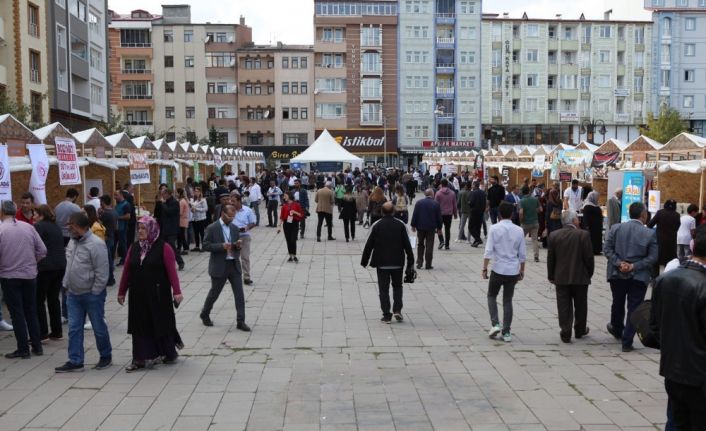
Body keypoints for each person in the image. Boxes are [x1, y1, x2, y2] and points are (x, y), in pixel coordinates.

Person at [650, 225, 706, 430]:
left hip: (672, 371)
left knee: (679, 422)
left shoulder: (665, 278)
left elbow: (653, 327)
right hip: (700, 377)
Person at [117, 216, 183, 372]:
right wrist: (121, 292)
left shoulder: (164, 247)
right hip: (138, 294)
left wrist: (177, 291)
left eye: (143, 228)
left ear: (152, 229)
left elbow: (172, 272)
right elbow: (127, 270)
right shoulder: (134, 247)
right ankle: (140, 358)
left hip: (159, 294)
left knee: (160, 323)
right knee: (139, 324)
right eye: (138, 228)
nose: (140, 231)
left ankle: (167, 352)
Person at [55, 212, 112, 372]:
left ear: (81, 226)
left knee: (98, 326)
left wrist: (95, 291)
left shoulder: (96, 244)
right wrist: (66, 285)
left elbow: (102, 272)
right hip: (73, 293)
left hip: (91, 294)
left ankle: (105, 356)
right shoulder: (72, 243)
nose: (69, 229)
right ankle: (75, 360)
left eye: (71, 226)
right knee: (74, 328)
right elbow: (69, 265)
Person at [603, 202, 658, 352]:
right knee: (634, 307)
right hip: (639, 276)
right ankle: (627, 341)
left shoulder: (616, 228)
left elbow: (606, 249)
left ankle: (617, 328)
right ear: (643, 215)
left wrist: (619, 263)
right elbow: (653, 257)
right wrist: (634, 266)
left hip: (617, 273)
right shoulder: (650, 233)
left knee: (617, 302)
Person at [0, 200, 47, 358]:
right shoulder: (28, 227)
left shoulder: (1, 229)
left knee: (17, 313)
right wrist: (32, 262)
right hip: (29, 275)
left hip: (9, 276)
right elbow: (42, 250)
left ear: (2, 212)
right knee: (30, 311)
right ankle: (37, 346)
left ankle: (23, 349)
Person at [361, 202, 415, 323]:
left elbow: (369, 244)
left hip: (382, 262)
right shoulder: (400, 225)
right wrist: (411, 260)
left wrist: (364, 261)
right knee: (397, 286)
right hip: (398, 262)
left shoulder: (377, 225)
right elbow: (407, 245)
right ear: (394, 212)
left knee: (383, 289)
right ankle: (397, 310)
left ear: (382, 212)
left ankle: (386, 315)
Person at [199, 203, 250, 331]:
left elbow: (236, 244)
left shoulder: (234, 228)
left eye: (233, 217)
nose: (231, 219)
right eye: (229, 216)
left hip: (233, 264)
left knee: (239, 294)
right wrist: (221, 246)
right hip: (219, 265)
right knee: (214, 293)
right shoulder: (212, 228)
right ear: (222, 213)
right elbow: (205, 245)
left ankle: (241, 320)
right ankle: (205, 314)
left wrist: (237, 246)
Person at [547, 210, 595, 343]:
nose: (579, 221)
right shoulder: (583, 235)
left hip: (561, 277)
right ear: (574, 220)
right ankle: (580, 329)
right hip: (580, 277)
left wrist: (551, 275)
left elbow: (551, 258)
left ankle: (566, 331)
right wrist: (589, 273)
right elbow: (589, 258)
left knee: (563, 305)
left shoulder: (554, 235)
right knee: (580, 305)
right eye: (577, 219)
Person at [482, 201, 526, 343]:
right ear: (512, 214)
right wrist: (522, 270)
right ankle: (506, 332)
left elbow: (488, 251)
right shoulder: (519, 230)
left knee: (491, 295)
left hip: (498, 268)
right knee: (508, 300)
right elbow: (522, 254)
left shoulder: (494, 228)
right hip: (512, 270)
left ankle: (495, 323)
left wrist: (484, 267)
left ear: (499, 214)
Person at [33, 205, 66, 341]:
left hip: (45, 267)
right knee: (53, 299)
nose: (33, 216)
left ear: (41, 214)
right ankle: (57, 331)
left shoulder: (39, 226)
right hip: (60, 266)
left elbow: (34, 245)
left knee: (39, 300)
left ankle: (42, 333)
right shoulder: (55, 226)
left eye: (35, 213)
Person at [410, 189, 442, 270]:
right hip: (431, 228)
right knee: (429, 245)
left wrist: (413, 225)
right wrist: (439, 228)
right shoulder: (436, 204)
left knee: (420, 244)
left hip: (420, 227)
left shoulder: (419, 203)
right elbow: (439, 218)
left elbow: (415, 215)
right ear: (432, 194)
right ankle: (428, 264)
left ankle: (419, 263)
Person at [156, 188, 185, 271]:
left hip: (172, 229)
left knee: (172, 246)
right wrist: (159, 204)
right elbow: (158, 213)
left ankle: (180, 262)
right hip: (164, 228)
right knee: (161, 247)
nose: (162, 196)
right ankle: (162, 263)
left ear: (168, 194)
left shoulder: (174, 203)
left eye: (163, 194)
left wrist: (163, 204)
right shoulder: (163, 203)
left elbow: (169, 212)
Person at [646, 199, 681, 269]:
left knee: (656, 261)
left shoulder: (660, 213)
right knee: (670, 263)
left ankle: (654, 278)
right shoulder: (677, 215)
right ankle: (667, 278)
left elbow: (650, 225)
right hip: (671, 243)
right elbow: (677, 226)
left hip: (659, 242)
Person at [232, 194, 256, 286]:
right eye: (231, 201)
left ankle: (246, 277)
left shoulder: (247, 210)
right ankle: (234, 276)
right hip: (232, 236)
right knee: (233, 257)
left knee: (245, 257)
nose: (232, 203)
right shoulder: (230, 210)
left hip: (244, 236)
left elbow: (253, 223)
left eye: (233, 201)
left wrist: (246, 228)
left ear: (239, 201)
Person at [277, 192, 304, 262]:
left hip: (294, 224)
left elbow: (301, 215)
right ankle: (290, 255)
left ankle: (294, 255)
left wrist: (294, 212)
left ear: (289, 196)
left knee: (293, 240)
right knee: (288, 240)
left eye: (285, 196)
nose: (284, 197)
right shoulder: (284, 206)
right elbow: (281, 217)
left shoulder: (296, 205)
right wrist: (279, 226)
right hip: (286, 224)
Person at [99, 195, 118, 286]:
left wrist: (99, 215)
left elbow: (98, 224)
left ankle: (110, 279)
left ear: (103, 202)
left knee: (107, 260)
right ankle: (111, 278)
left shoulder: (105, 214)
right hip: (111, 236)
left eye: (101, 202)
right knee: (109, 258)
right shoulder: (114, 211)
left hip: (106, 238)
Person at [519, 186, 541, 262]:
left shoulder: (521, 201)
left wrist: (521, 220)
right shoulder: (535, 199)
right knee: (535, 240)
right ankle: (536, 257)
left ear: (522, 192)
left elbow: (521, 212)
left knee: (521, 239)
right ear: (529, 191)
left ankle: (518, 254)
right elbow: (541, 209)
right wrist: (534, 211)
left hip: (525, 223)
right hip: (535, 222)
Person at [581, 191, 604, 255]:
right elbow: (586, 218)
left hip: (597, 226)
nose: (598, 198)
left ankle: (597, 250)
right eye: (597, 197)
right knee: (592, 238)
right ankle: (591, 250)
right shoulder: (587, 206)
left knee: (597, 238)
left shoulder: (596, 205)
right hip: (591, 226)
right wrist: (586, 226)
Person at [114, 191, 131, 267]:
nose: (115, 197)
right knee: (115, 244)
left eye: (116, 195)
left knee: (123, 244)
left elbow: (128, 216)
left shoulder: (126, 204)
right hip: (116, 228)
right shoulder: (118, 204)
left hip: (122, 228)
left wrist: (118, 217)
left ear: (121, 195)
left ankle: (125, 260)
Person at [469, 181, 487, 247]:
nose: (472, 186)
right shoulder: (482, 192)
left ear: (474, 185)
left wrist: (469, 203)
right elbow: (485, 202)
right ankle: (476, 242)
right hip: (481, 212)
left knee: (470, 227)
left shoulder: (473, 193)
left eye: (472, 185)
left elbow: (471, 203)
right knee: (478, 227)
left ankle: (478, 239)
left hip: (474, 212)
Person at [190, 186, 208, 252]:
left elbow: (205, 209)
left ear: (200, 192)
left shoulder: (203, 200)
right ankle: (197, 246)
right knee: (196, 233)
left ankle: (203, 246)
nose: (195, 192)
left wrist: (196, 209)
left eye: (197, 191)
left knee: (202, 233)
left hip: (201, 218)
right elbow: (192, 209)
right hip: (195, 219)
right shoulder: (195, 200)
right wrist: (192, 209)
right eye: (195, 191)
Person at [177, 188, 190, 255]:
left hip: (181, 220)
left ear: (179, 193)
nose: (176, 194)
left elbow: (180, 212)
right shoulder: (184, 200)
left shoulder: (181, 202)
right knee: (181, 235)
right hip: (184, 220)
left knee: (181, 235)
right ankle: (184, 248)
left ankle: (183, 248)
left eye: (177, 192)